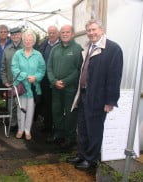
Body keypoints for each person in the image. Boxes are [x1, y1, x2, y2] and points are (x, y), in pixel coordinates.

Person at [67, 19, 123, 170]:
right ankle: (82, 155)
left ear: (102, 30)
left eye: (94, 30)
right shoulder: (88, 47)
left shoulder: (113, 49)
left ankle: (91, 160)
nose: (91, 33)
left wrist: (110, 100)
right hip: (84, 94)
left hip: (98, 98)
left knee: (94, 130)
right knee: (83, 128)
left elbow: (115, 77)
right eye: (89, 31)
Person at [46, 25, 82, 148]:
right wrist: (54, 81)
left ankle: (70, 137)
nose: (65, 34)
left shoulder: (78, 49)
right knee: (56, 111)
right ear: (60, 34)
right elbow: (49, 67)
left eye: (67, 32)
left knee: (70, 113)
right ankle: (59, 134)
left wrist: (65, 82)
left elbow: (78, 70)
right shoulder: (55, 49)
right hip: (55, 88)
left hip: (70, 89)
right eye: (62, 32)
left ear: (72, 34)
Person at [11, 30, 46, 141]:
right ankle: (20, 130)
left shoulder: (38, 55)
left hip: (33, 87)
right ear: (23, 40)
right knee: (21, 109)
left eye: (30, 40)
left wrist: (36, 77)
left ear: (33, 41)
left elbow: (42, 69)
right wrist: (26, 76)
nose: (28, 41)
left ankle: (27, 130)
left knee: (30, 109)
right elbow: (14, 68)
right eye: (26, 39)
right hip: (21, 87)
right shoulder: (18, 54)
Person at [36, 25, 60, 135]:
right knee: (47, 103)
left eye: (53, 32)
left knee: (57, 105)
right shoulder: (44, 45)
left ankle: (57, 127)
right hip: (45, 79)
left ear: (58, 33)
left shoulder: (62, 44)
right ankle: (47, 125)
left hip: (57, 79)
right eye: (49, 32)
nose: (51, 35)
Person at [1, 26, 24, 131]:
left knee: (22, 105)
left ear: (21, 35)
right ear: (11, 36)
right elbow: (3, 67)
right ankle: (13, 124)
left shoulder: (26, 47)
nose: (15, 36)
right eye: (13, 35)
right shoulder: (7, 50)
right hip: (10, 83)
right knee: (11, 106)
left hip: (24, 84)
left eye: (17, 34)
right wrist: (5, 81)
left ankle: (22, 126)